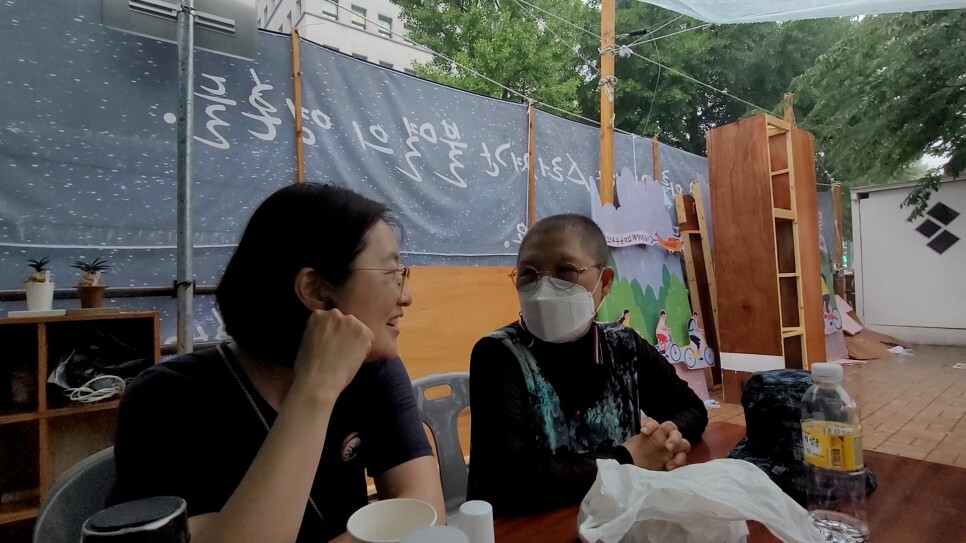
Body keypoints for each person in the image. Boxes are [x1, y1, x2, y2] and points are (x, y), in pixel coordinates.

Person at [111, 183, 444, 543]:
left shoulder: (373, 371)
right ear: (315, 290)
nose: (406, 296)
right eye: (391, 275)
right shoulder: (166, 399)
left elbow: (425, 511)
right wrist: (316, 388)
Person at [466, 214, 708, 515]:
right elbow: (509, 480)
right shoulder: (498, 355)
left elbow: (691, 409)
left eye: (565, 271)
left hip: (620, 516)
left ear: (604, 283)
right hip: (537, 526)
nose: (543, 289)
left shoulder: (624, 346)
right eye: (528, 273)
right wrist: (628, 459)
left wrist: (665, 441)